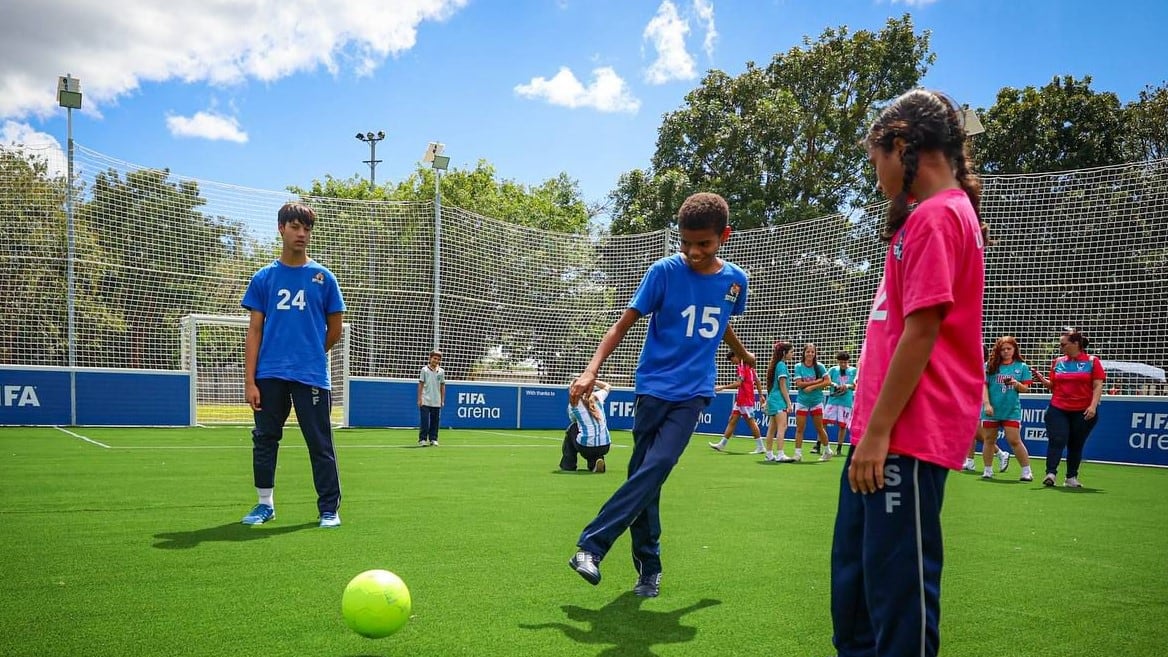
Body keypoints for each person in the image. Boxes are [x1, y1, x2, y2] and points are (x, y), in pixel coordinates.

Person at [831, 89, 987, 657]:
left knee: (899, 597)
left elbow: (922, 333)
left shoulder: (941, 216)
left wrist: (878, 433)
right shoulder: (923, 218)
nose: (876, 176)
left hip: (906, 437)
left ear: (901, 145)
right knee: (854, 589)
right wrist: (868, 432)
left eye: (876, 160)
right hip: (879, 435)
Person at [567, 192, 753, 599]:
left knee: (659, 464)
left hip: (694, 393)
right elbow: (621, 325)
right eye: (685, 243)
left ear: (724, 236)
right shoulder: (663, 272)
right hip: (652, 390)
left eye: (704, 244)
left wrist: (742, 353)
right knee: (644, 478)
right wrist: (591, 369)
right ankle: (649, 569)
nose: (693, 252)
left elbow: (720, 320)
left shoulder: (736, 282)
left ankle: (591, 547)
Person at [240, 202, 347, 529]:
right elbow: (254, 331)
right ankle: (265, 505)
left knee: (320, 443)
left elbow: (335, 329)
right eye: (295, 227)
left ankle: (328, 510)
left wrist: (311, 353)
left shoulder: (324, 278)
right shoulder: (264, 278)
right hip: (268, 374)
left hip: (310, 376)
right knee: (265, 439)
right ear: (281, 229)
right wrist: (250, 381)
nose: (302, 234)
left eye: (307, 229)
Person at [1032, 328, 1105, 488]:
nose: (1061, 347)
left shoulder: (1092, 361)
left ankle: (1071, 477)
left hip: (1083, 410)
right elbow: (1053, 386)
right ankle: (1050, 474)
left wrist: (1093, 406)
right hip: (1058, 407)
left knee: (1076, 443)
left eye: (1063, 344)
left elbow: (1097, 386)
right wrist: (1043, 380)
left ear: (1076, 344)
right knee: (1057, 439)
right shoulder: (1058, 362)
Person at [980, 336, 1035, 481]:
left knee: (1014, 440)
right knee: (989, 440)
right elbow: (983, 386)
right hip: (992, 409)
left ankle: (1026, 471)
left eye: (1009, 348)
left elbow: (1025, 389)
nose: (1005, 352)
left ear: (1014, 349)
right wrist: (987, 404)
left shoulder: (1022, 367)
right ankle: (987, 470)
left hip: (1011, 410)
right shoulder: (989, 366)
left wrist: (1016, 384)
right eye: (1002, 349)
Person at [708, 352, 767, 454]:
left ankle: (761, 447)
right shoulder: (749, 366)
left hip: (745, 400)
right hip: (741, 399)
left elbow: (739, 383)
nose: (732, 363)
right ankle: (722, 444)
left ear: (736, 356)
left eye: (732, 360)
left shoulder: (742, 366)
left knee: (751, 422)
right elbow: (757, 380)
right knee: (732, 420)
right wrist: (761, 395)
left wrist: (722, 387)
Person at [560, 379, 613, 473]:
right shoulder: (597, 396)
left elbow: (574, 421)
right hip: (605, 446)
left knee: (572, 429)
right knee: (594, 442)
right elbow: (607, 386)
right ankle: (596, 463)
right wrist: (592, 381)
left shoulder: (573, 405)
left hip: (586, 448)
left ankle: (568, 465)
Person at [792, 343, 833, 461]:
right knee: (800, 428)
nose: (810, 354)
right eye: (808, 352)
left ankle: (827, 451)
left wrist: (812, 387)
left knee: (819, 427)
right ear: (804, 353)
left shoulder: (819, 366)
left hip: (816, 401)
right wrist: (816, 381)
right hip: (802, 401)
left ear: (815, 354)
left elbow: (828, 381)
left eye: (812, 352)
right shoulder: (798, 366)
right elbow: (799, 384)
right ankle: (798, 454)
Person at [763, 341, 796, 462]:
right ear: (784, 353)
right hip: (778, 401)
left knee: (772, 428)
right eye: (791, 352)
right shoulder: (781, 365)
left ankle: (769, 454)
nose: (793, 354)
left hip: (773, 399)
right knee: (782, 426)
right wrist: (788, 403)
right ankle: (780, 454)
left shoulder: (777, 364)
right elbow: (782, 385)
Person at [824, 351, 858, 456]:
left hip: (846, 402)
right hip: (833, 400)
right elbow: (826, 381)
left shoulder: (853, 370)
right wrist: (834, 384)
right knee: (823, 422)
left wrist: (847, 386)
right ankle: (819, 444)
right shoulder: (833, 370)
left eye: (845, 362)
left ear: (848, 361)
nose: (843, 364)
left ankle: (839, 448)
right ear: (837, 361)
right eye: (841, 362)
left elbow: (856, 385)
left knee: (843, 426)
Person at [417, 349, 446, 446]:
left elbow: (442, 386)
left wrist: (442, 400)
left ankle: (433, 439)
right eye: (434, 358)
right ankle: (422, 439)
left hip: (436, 400)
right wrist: (419, 398)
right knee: (425, 421)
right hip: (425, 400)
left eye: (438, 359)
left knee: (435, 421)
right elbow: (421, 384)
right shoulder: (424, 370)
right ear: (430, 358)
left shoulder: (441, 371)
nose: (436, 361)